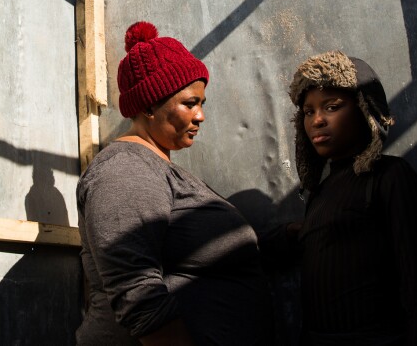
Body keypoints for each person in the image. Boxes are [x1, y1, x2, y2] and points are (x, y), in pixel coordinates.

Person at [76, 21, 273, 345]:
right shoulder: (125, 169)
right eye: (190, 103)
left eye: (202, 104)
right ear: (150, 105)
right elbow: (137, 292)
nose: (201, 116)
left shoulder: (158, 170)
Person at [284, 50, 417, 345]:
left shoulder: (390, 177)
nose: (317, 120)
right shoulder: (320, 193)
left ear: (364, 109)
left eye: (332, 107)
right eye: (308, 112)